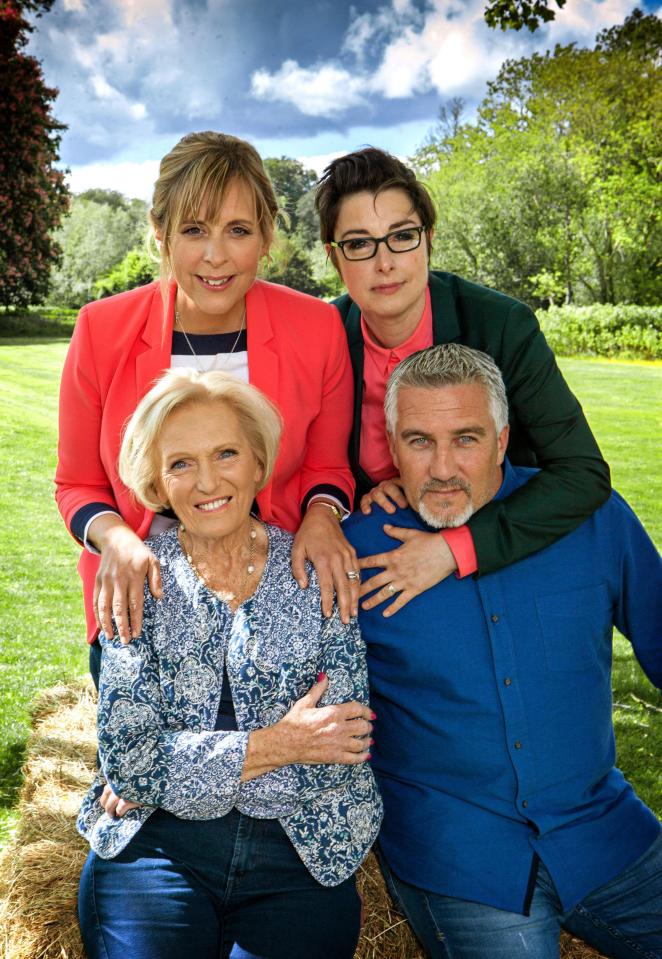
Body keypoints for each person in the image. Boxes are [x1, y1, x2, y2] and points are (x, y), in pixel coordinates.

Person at [342, 343, 662, 959]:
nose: (441, 468)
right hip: (458, 854)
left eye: (465, 438)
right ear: (389, 445)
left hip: (604, 832)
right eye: (418, 441)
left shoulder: (590, 521)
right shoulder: (352, 555)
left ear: (503, 437)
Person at [76, 369, 382, 959]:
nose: (207, 481)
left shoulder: (314, 566)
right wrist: (281, 742)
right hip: (157, 849)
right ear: (158, 483)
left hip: (300, 848)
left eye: (226, 454)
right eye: (181, 464)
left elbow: (343, 745)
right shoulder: (135, 580)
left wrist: (176, 768)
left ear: (258, 463)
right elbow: (132, 763)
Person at [56, 131, 359, 676]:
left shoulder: (317, 328)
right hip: (141, 606)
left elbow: (328, 467)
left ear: (266, 236)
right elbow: (76, 484)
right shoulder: (101, 330)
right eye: (194, 230)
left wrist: (321, 515)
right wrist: (117, 539)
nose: (215, 256)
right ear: (160, 233)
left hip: (277, 604)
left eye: (238, 230)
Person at [315, 147, 611, 616]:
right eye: (359, 244)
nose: (385, 262)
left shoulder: (502, 325)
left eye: (402, 237)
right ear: (335, 258)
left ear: (429, 239)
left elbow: (582, 473)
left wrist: (455, 549)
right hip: (381, 581)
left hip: (503, 563)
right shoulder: (322, 337)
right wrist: (355, 496)